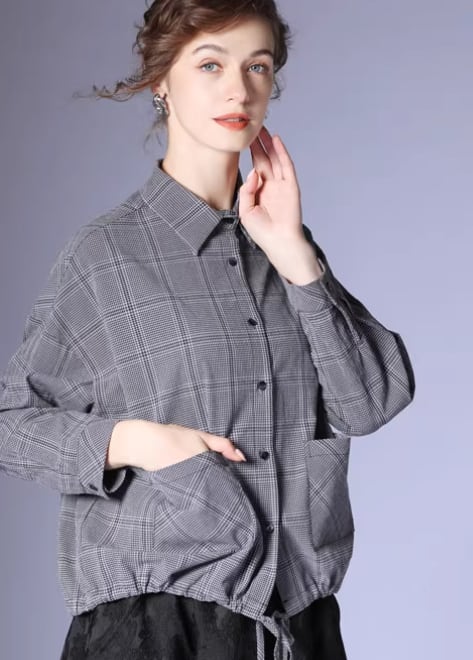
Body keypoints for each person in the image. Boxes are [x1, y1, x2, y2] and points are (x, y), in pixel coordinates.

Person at [0, 1, 415, 659]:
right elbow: (10, 423)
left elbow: (370, 403)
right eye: (210, 64)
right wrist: (136, 441)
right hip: (155, 627)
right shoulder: (107, 254)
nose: (239, 90)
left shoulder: (287, 249)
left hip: (298, 626)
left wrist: (295, 256)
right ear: (161, 80)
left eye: (258, 66)